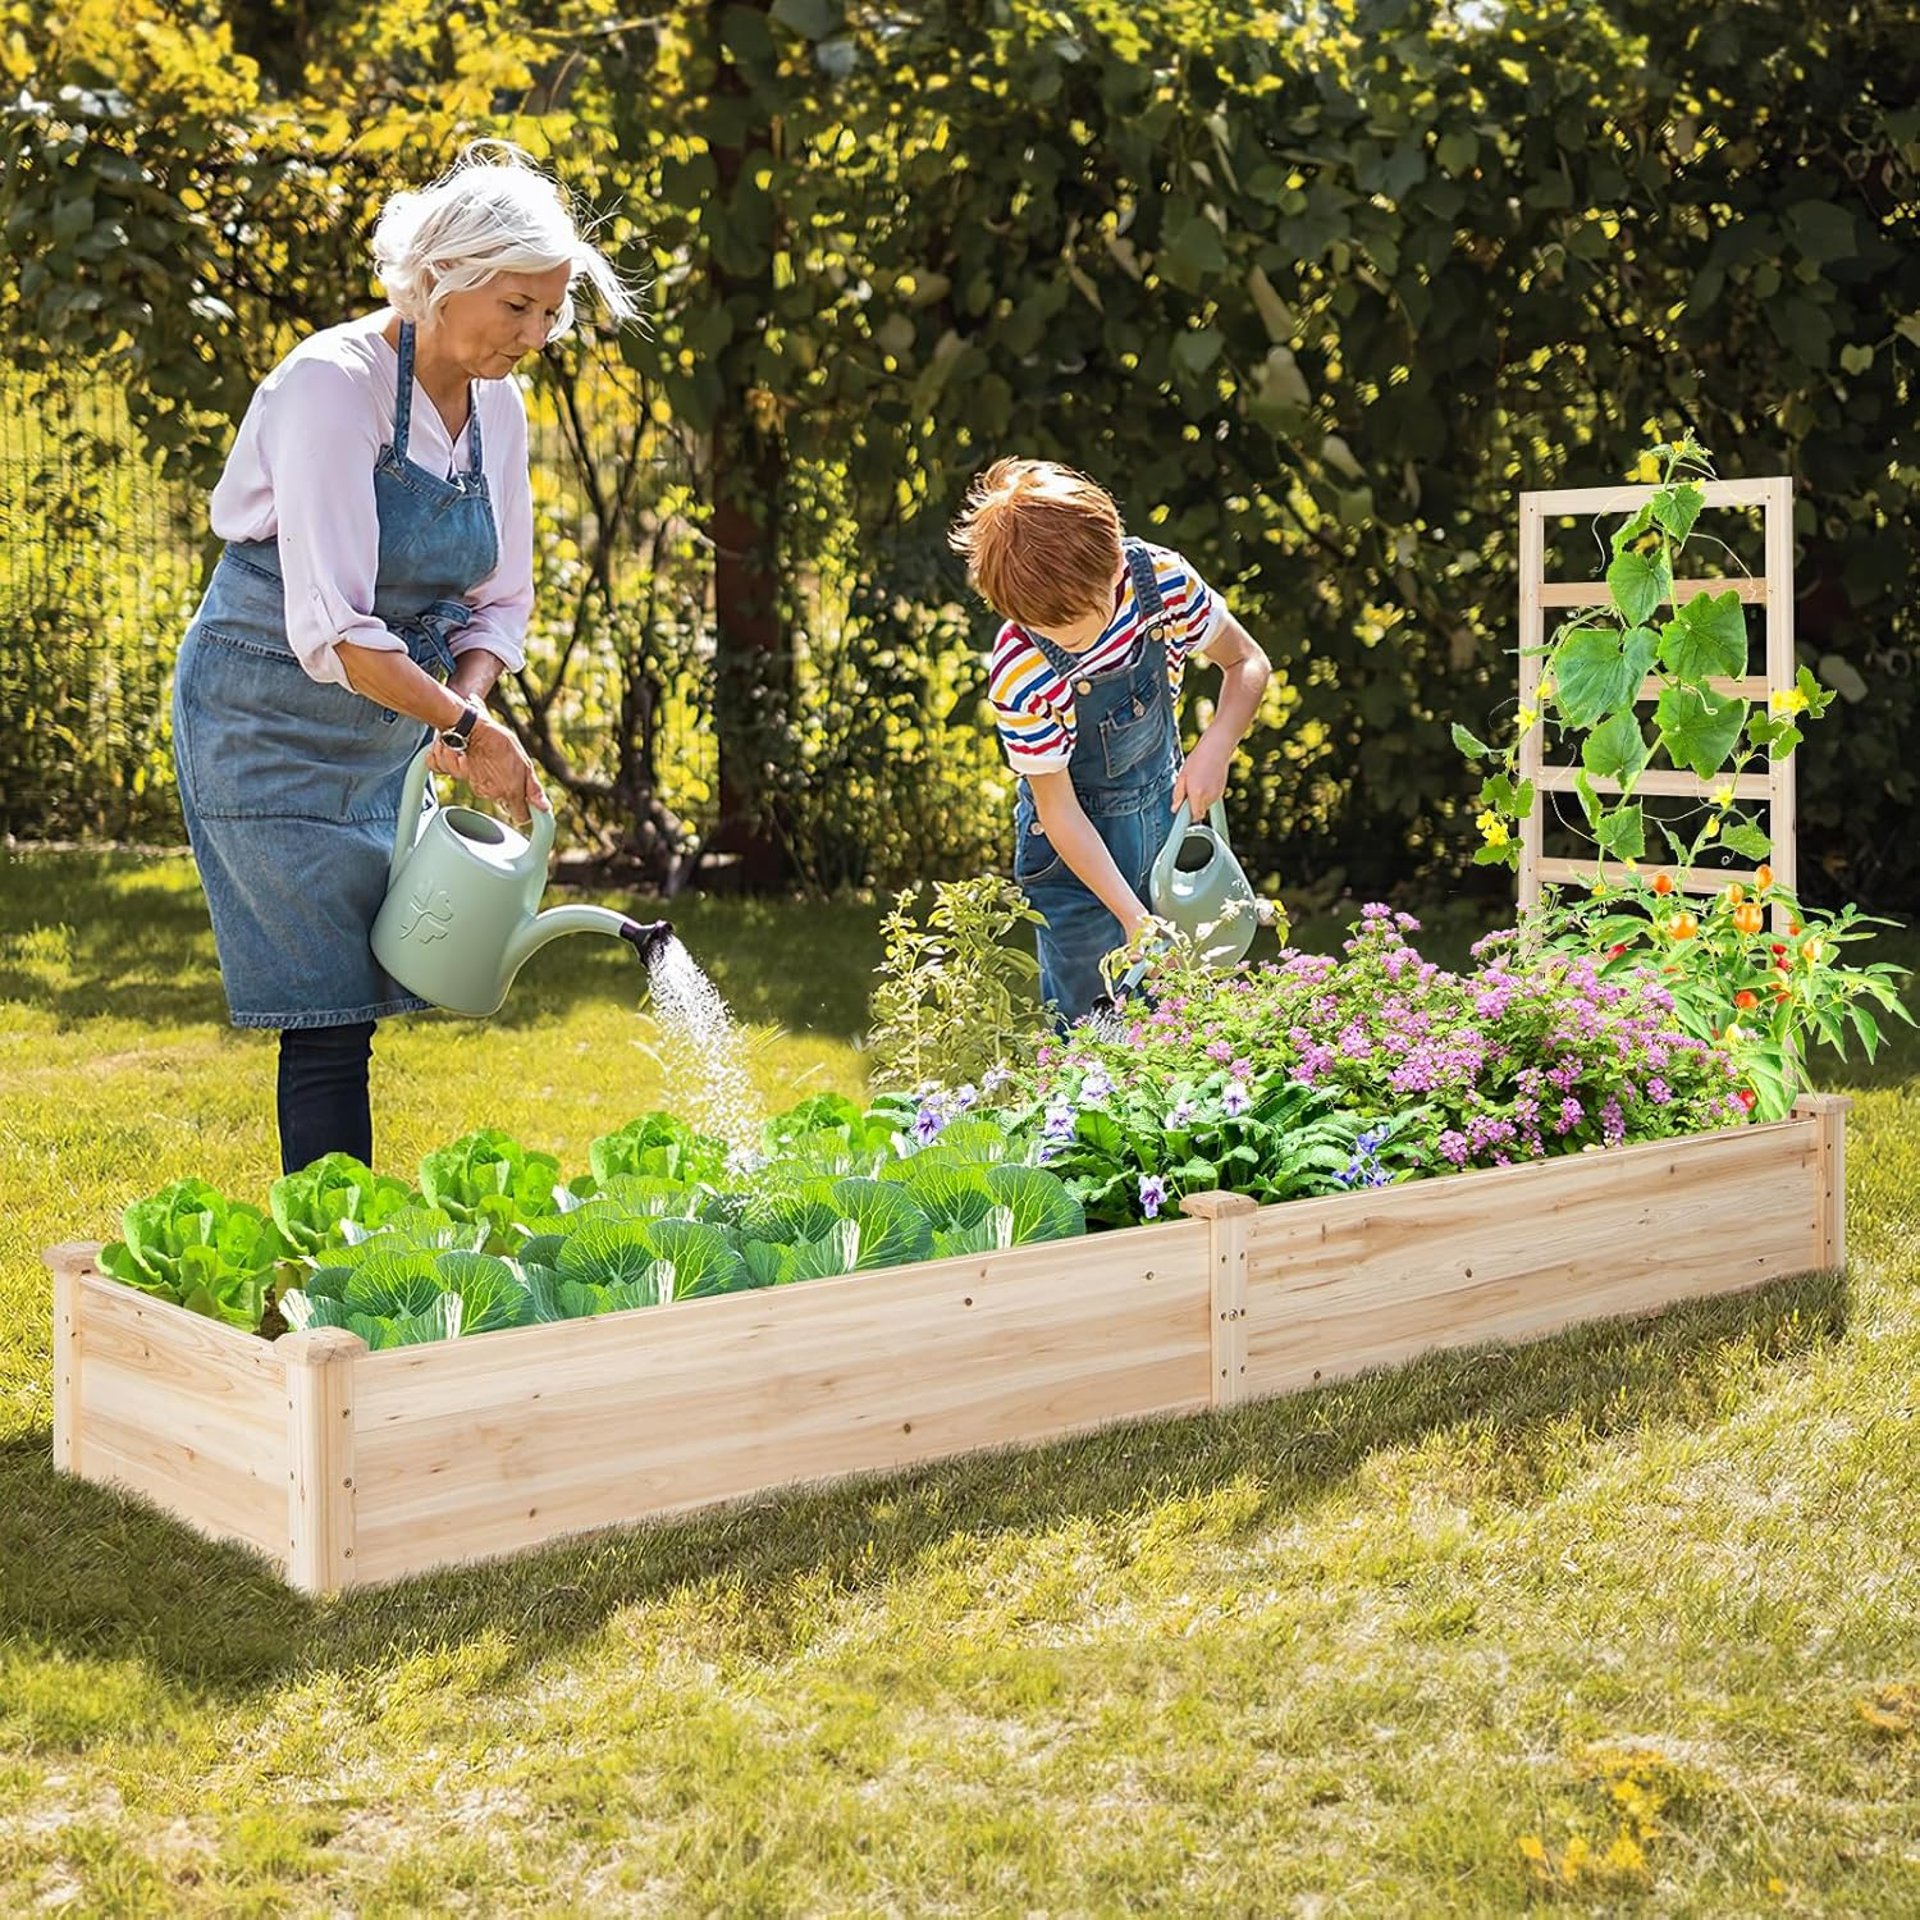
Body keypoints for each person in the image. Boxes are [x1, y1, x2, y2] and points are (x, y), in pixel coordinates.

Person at [172, 142, 639, 1175]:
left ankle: (344, 1266)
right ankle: (333, 1279)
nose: (536, 334)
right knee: (327, 1012)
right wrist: (466, 727)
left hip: (394, 721)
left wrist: (465, 707)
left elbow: (498, 601)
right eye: (517, 306)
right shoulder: (329, 388)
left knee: (365, 1001)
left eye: (551, 312)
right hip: (267, 722)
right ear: (445, 274)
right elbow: (334, 626)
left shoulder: (496, 409)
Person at [949, 458, 1273, 1023]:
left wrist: (1216, 744)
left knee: (1183, 1016)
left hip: (1161, 829)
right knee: (1091, 1027)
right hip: (1072, 859)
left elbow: (1246, 661)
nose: (1073, 641)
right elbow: (1057, 809)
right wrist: (1133, 917)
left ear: (1115, 560)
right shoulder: (1021, 669)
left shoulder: (1160, 581)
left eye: (1081, 619)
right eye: (1052, 629)